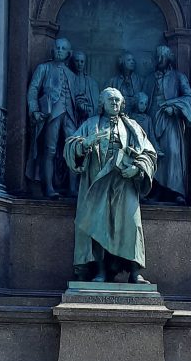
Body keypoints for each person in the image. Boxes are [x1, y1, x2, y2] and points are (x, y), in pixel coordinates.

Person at [64, 86, 157, 283]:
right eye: (110, 99)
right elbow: (70, 146)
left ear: (122, 104)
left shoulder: (132, 127)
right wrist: (84, 144)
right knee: (97, 225)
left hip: (124, 182)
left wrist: (137, 169)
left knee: (132, 224)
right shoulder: (90, 125)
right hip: (97, 182)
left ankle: (135, 272)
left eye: (117, 100)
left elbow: (149, 154)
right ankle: (100, 272)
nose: (114, 103)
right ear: (102, 103)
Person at [26, 38, 77, 199]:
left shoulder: (72, 75)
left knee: (73, 149)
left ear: (68, 53)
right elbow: (33, 89)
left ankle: (73, 188)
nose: (59, 50)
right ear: (53, 50)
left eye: (63, 48)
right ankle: (48, 187)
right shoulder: (44, 68)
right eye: (57, 47)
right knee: (50, 149)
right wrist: (34, 110)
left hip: (70, 116)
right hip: (51, 115)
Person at [149, 44, 191, 202]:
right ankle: (155, 190)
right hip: (152, 119)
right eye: (157, 56)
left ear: (168, 58)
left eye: (162, 56)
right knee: (153, 154)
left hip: (170, 121)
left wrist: (174, 108)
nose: (159, 59)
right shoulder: (150, 78)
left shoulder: (178, 77)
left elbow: (188, 97)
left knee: (173, 152)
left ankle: (176, 191)